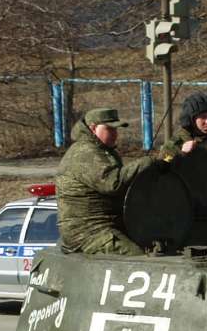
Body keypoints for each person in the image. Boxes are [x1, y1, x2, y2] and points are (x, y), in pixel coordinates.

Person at [56, 106, 174, 256]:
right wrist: (145, 163)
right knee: (138, 257)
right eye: (109, 129)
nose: (114, 134)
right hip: (87, 232)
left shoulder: (103, 151)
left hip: (106, 227)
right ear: (93, 128)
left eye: (115, 130)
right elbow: (112, 183)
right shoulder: (85, 152)